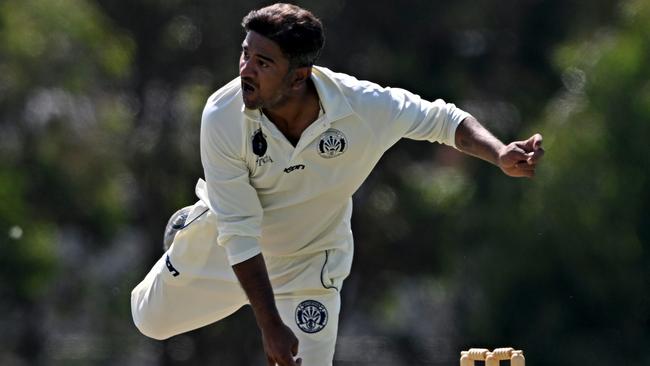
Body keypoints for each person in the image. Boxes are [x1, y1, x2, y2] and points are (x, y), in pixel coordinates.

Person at [130, 3, 544, 366]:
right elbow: (239, 231)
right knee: (150, 321)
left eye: (263, 62)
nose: (245, 71)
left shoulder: (362, 107)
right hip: (228, 246)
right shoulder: (223, 113)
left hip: (309, 263)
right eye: (245, 55)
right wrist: (270, 324)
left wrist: (498, 153)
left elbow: (443, 119)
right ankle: (192, 222)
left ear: (299, 78)